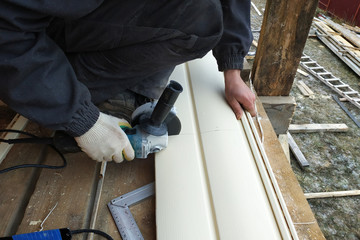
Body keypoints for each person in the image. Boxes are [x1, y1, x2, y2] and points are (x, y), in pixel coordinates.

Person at [0, 0, 256, 163]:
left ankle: (117, 87)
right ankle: (60, 84)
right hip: (43, 24)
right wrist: (82, 119)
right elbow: (6, 32)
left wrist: (232, 67)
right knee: (200, 20)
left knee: (201, 15)